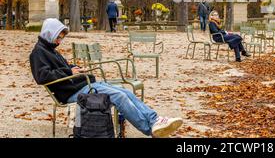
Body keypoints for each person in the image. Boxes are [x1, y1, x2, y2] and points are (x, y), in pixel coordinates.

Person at [29, 18, 183, 137]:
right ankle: (150, 130)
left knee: (125, 91)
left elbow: (60, 68)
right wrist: (70, 72)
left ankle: (154, 119)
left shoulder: (50, 49)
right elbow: (42, 76)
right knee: (120, 97)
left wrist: (72, 68)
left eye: (60, 38)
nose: (59, 41)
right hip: (70, 93)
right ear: (49, 33)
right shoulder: (38, 53)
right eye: (58, 37)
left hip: (78, 86)